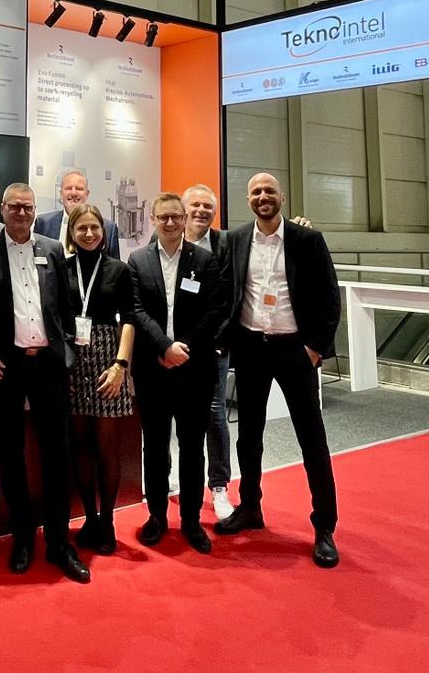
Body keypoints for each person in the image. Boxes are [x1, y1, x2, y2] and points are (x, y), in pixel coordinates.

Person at [0, 184, 89, 584]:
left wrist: (68, 351)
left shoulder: (53, 249)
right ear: (2, 209)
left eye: (27, 207)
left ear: (35, 211)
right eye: (14, 207)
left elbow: (67, 307)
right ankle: (22, 539)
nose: (21, 213)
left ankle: (58, 542)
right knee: (10, 453)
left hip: (49, 367)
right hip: (5, 367)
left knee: (57, 454)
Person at [214, 172, 342, 569]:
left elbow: (329, 297)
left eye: (269, 190)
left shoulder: (307, 240)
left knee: (312, 440)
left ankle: (324, 526)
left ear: (282, 197)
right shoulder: (235, 240)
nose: (263, 196)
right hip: (252, 348)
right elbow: (225, 291)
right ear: (248, 200)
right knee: (248, 437)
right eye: (256, 192)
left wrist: (314, 350)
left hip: (295, 350)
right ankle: (250, 507)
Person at [127, 191, 230, 553]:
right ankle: (156, 516)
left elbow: (216, 309)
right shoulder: (137, 260)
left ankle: (190, 520)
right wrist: (163, 347)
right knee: (155, 447)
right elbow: (136, 310)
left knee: (192, 447)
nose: (170, 223)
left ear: (184, 220)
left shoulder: (204, 260)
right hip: (153, 369)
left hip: (194, 369)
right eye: (163, 217)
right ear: (153, 220)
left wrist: (182, 346)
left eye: (175, 216)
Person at [53, 203, 135, 556]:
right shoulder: (61, 267)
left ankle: (108, 521)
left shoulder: (119, 269)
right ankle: (89, 517)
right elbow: (54, 315)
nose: (88, 234)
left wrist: (121, 365)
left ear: (104, 232)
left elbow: (129, 319)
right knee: (80, 445)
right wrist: (61, 364)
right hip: (71, 359)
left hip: (107, 359)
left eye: (94, 228)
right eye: (81, 228)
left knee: (106, 447)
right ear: (71, 233)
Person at [182, 183, 234, 523]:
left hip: (213, 345)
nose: (201, 211)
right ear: (184, 209)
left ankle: (219, 486)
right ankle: (172, 479)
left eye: (208, 207)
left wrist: (218, 338)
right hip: (178, 346)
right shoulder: (167, 240)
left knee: (215, 414)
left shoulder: (225, 244)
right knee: (177, 414)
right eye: (196, 205)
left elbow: (231, 296)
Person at [35, 169, 119, 257]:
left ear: (87, 194)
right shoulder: (43, 223)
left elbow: (114, 264)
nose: (73, 193)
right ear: (61, 193)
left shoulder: (109, 228)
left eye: (79, 189)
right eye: (68, 188)